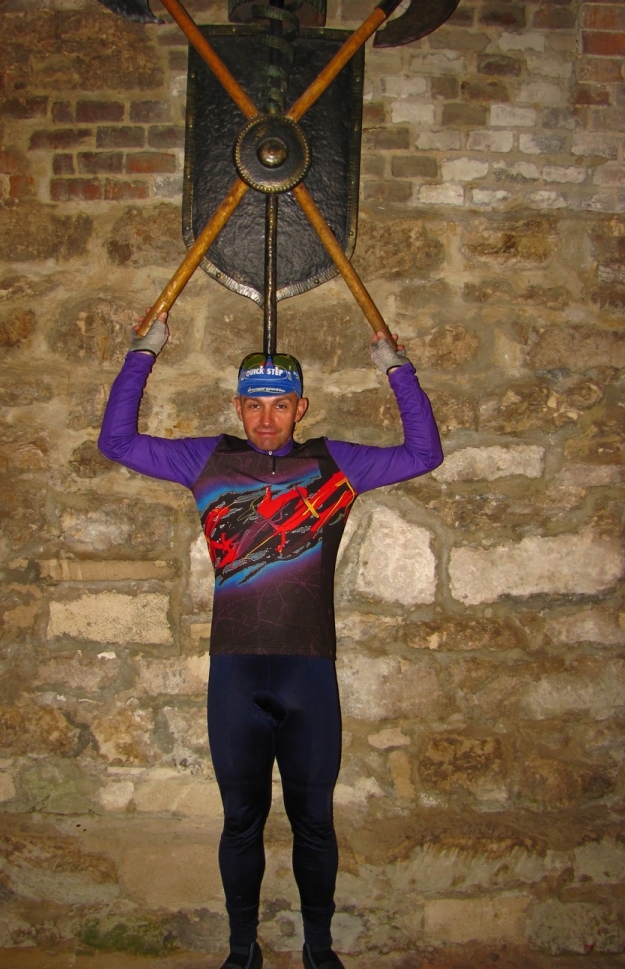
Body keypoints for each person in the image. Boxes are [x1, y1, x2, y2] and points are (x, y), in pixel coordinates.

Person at [98, 312, 443, 969]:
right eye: (254, 405)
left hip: (307, 673)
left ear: (299, 407)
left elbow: (425, 454)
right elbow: (115, 442)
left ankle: (319, 948)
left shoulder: (333, 463)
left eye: (280, 405)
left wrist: (396, 368)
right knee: (240, 821)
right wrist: (144, 351)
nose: (265, 419)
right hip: (237, 674)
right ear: (238, 406)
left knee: (314, 820)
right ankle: (241, 951)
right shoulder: (209, 459)